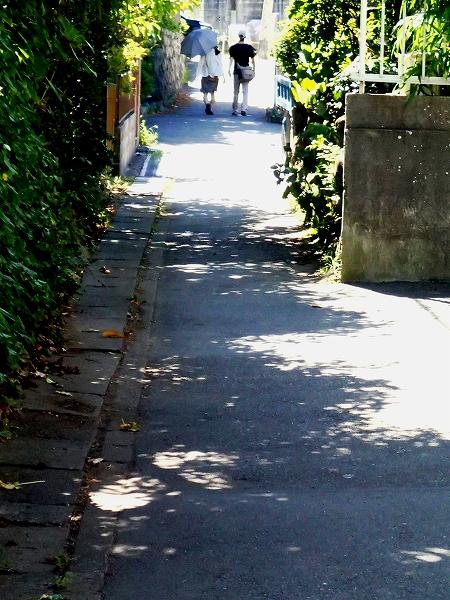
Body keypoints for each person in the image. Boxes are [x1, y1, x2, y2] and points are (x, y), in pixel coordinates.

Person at [228, 30, 257, 117]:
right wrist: (254, 70)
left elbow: (231, 60)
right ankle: (244, 109)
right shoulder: (249, 47)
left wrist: (228, 69)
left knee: (236, 91)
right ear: (245, 37)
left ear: (238, 36)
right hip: (246, 72)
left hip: (237, 71)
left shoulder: (233, 48)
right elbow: (253, 61)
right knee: (245, 91)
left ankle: (235, 110)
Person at [198, 46, 224, 115]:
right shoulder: (218, 53)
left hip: (206, 75)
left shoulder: (204, 52)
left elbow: (201, 64)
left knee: (205, 93)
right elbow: (220, 65)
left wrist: (198, 73)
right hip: (215, 76)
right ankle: (210, 106)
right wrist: (221, 75)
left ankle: (207, 104)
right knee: (212, 93)